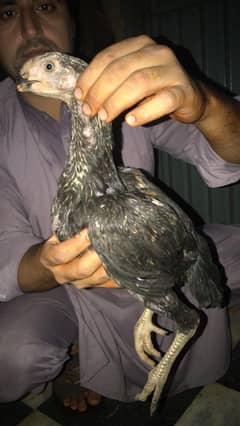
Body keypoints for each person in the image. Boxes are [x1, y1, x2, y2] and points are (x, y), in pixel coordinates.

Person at [1, 0, 240, 415]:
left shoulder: (124, 84)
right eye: (6, 13)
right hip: (64, 291)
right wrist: (50, 263)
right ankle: (77, 351)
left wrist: (206, 104)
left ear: (72, 23)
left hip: (150, 259)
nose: (28, 28)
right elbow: (6, 249)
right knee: (10, 354)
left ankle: (169, 314)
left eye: (44, 5)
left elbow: (228, 153)